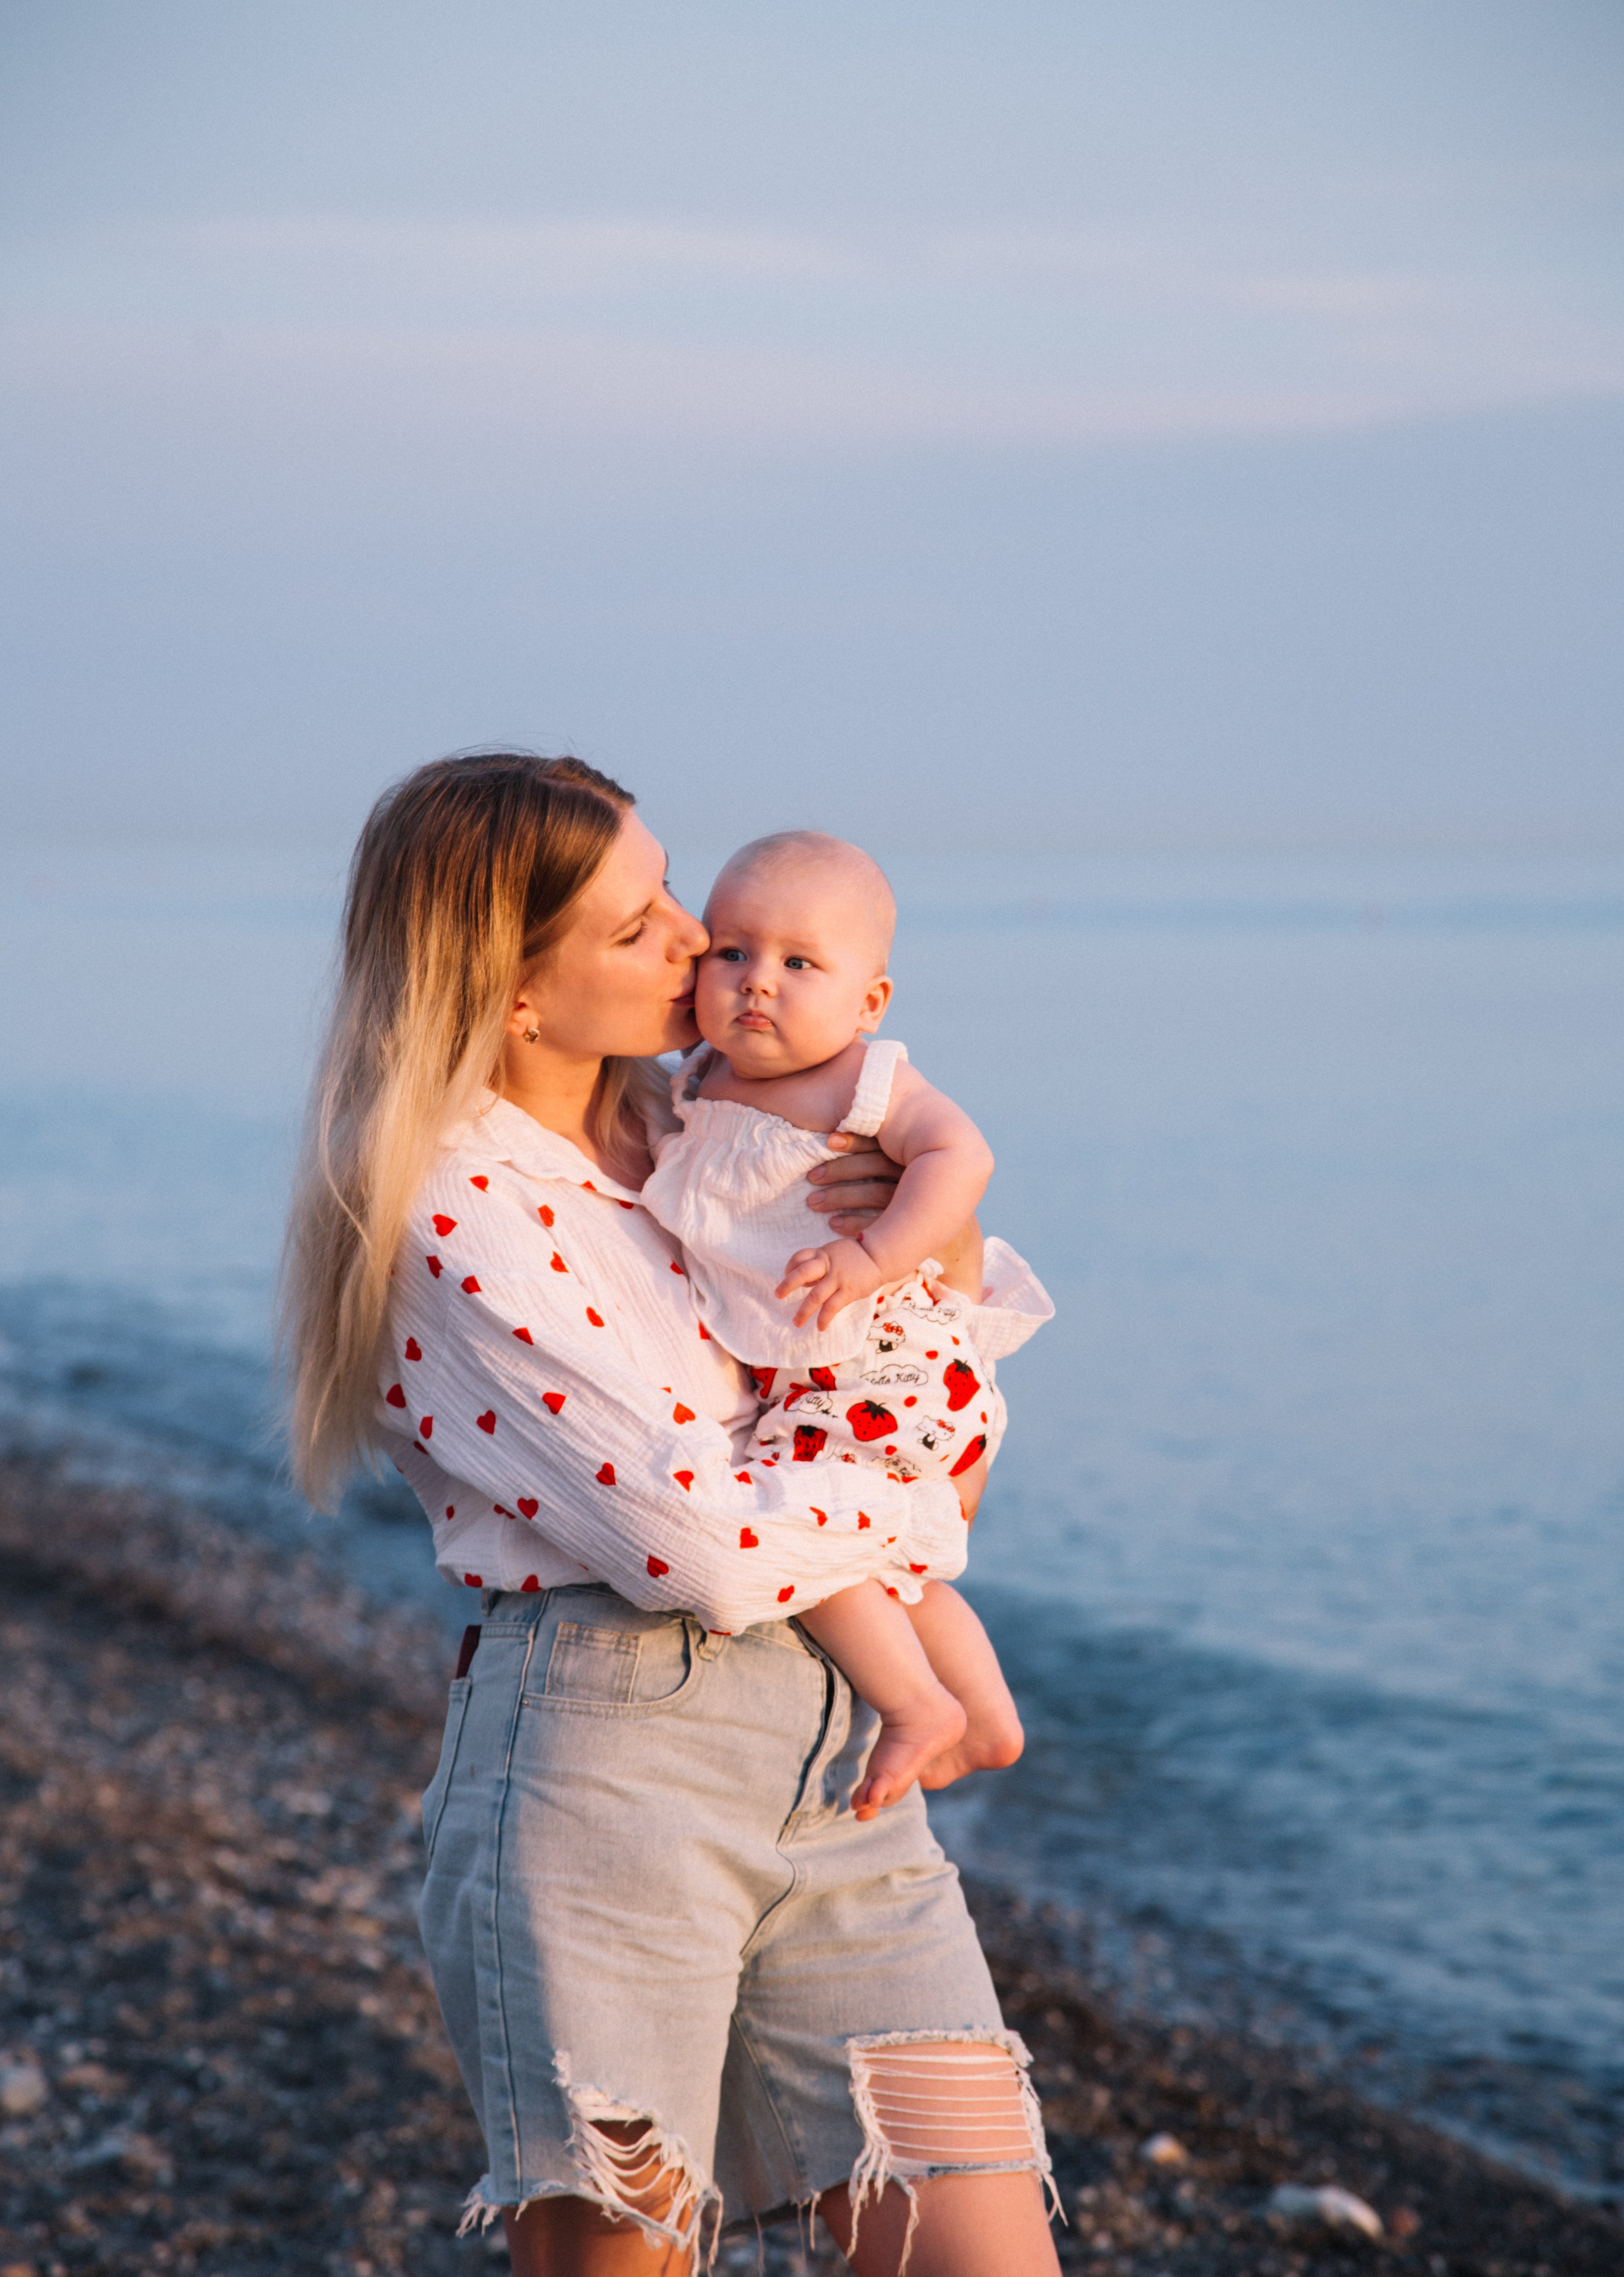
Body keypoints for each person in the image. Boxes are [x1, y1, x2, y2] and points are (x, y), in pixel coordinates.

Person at [280, 752, 1063, 2276]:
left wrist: (941, 1242)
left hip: (841, 1752)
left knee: (982, 2237)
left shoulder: (716, 1130)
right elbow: (703, 1543)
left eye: (674, 898)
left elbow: (924, 1360)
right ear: (513, 990)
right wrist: (905, 1485)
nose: (698, 945)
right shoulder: (453, 1207)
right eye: (639, 924)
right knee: (626, 2260)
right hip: (604, 1778)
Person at [641, 829, 1049, 1822]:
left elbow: (964, 1156)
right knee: (885, 1560)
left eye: (799, 963)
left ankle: (914, 1707)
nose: (757, 984)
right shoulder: (696, 1076)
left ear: (869, 1001)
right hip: (832, 1372)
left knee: (802, 1531)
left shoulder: (861, 1082)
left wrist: (875, 1256)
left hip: (879, 1362)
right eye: (731, 952)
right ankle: (988, 1718)